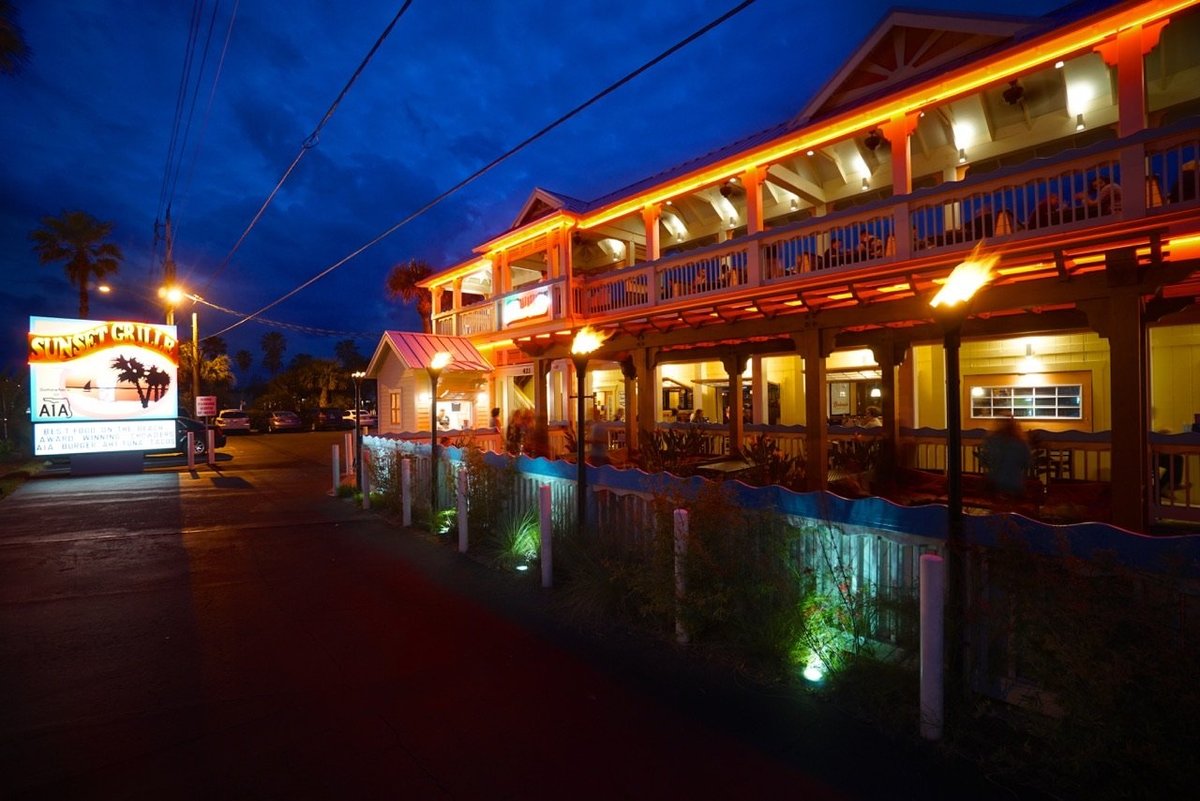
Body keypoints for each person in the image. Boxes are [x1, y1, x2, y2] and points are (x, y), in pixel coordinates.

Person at [981, 417, 1031, 498]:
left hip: (995, 482)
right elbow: (1026, 462)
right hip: (1015, 482)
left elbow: (985, 460)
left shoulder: (992, 441)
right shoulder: (1020, 442)